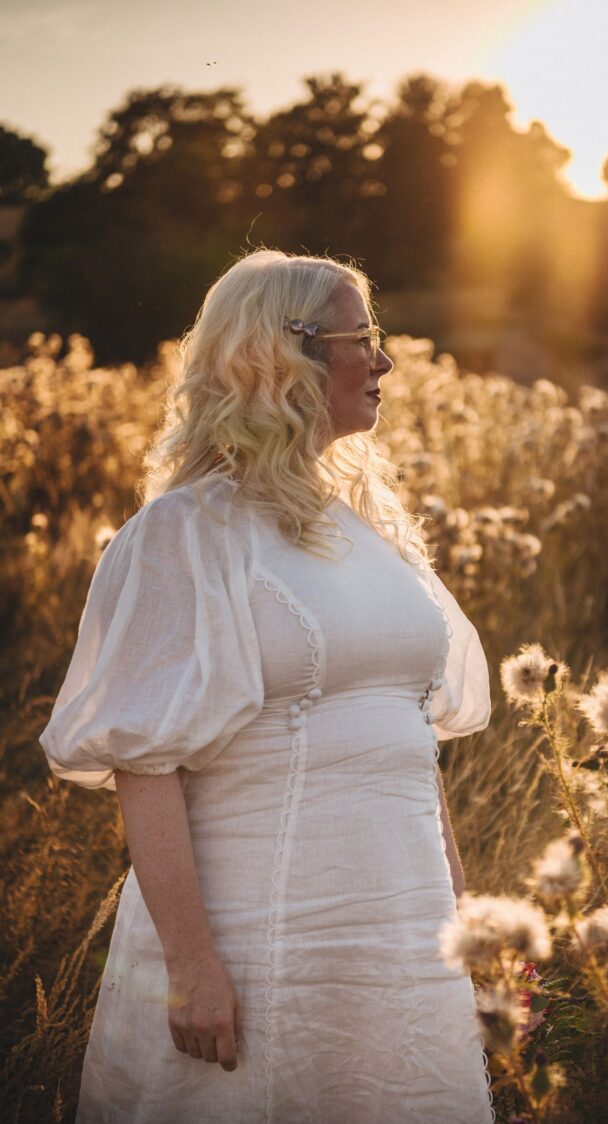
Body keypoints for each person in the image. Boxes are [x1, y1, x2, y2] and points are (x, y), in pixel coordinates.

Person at [39, 248, 495, 1124]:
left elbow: (409, 739)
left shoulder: (368, 532)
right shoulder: (186, 535)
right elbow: (146, 763)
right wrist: (193, 966)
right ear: (284, 357)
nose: (384, 359)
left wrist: (462, 918)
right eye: (362, 336)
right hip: (266, 946)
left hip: (401, 937)